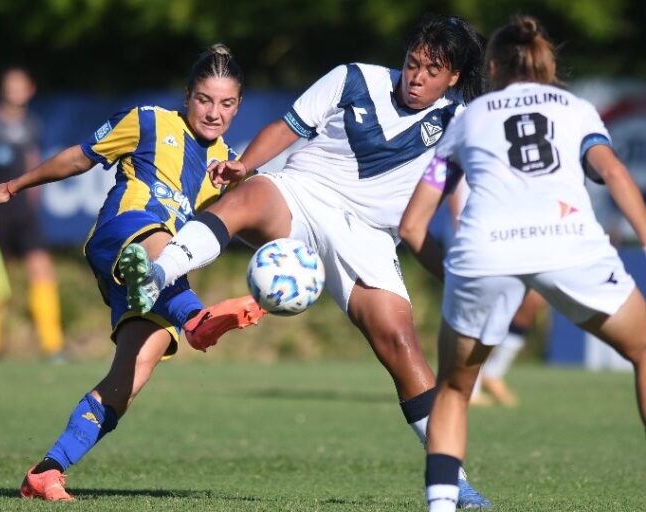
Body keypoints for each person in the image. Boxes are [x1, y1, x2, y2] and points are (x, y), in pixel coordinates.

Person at [124, 17, 491, 509]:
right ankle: (158, 272)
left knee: (401, 345)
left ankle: (455, 482)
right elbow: (288, 126)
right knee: (246, 197)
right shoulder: (353, 78)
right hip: (303, 192)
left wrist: (463, 268)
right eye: (412, 63)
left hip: (368, 237)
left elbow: (460, 200)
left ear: (454, 78)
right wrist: (246, 164)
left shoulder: (461, 122)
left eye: (432, 70)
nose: (416, 76)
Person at [0, 44, 266, 501]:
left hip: (159, 280)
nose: (214, 112)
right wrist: (14, 185)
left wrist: (279, 252)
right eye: (205, 99)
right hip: (122, 234)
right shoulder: (149, 120)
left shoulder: (226, 164)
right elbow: (79, 157)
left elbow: (228, 227)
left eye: (226, 104)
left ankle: (47, 471)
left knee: (131, 377)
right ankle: (196, 320)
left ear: (239, 105)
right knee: (160, 246)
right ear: (188, 94)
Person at [398, 15, 646, 512]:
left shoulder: (469, 117)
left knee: (451, 388)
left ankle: (442, 505)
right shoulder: (576, 109)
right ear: (548, 65)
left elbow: (411, 228)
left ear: (491, 66)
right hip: (568, 243)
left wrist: (454, 279)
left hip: (485, 251)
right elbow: (613, 171)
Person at [0, 67, 64, 359]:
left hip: (24, 212)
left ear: (29, 89)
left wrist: (34, 199)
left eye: (20, 86)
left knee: (41, 268)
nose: (15, 91)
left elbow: (34, 162)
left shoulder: (32, 124)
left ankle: (52, 346)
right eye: (10, 86)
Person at [449, 181, 547, 406]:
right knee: (482, 310)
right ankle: (468, 386)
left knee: (533, 301)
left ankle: (493, 373)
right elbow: (452, 185)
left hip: (509, 236)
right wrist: (460, 233)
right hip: (475, 238)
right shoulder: (463, 147)